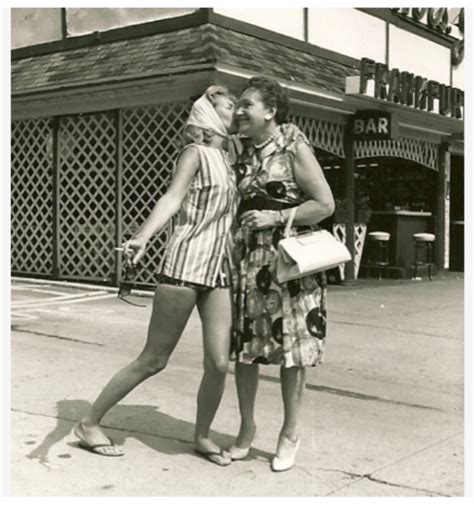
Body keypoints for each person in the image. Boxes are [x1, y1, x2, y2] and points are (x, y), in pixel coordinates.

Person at [74, 85, 237, 466]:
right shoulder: (195, 153)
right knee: (154, 359)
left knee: (218, 362)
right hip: (184, 266)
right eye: (231, 106)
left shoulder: (229, 158)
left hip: (218, 270)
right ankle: (89, 421)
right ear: (209, 115)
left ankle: (201, 435)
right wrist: (142, 237)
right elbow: (172, 197)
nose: (237, 112)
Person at [228, 77, 335, 472]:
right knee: (245, 349)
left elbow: (324, 204)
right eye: (237, 105)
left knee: (291, 351)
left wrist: (275, 215)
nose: (239, 111)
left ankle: (290, 432)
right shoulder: (241, 149)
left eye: (247, 105)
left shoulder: (293, 144)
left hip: (288, 261)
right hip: (248, 259)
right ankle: (246, 428)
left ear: (271, 111)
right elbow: (210, 125)